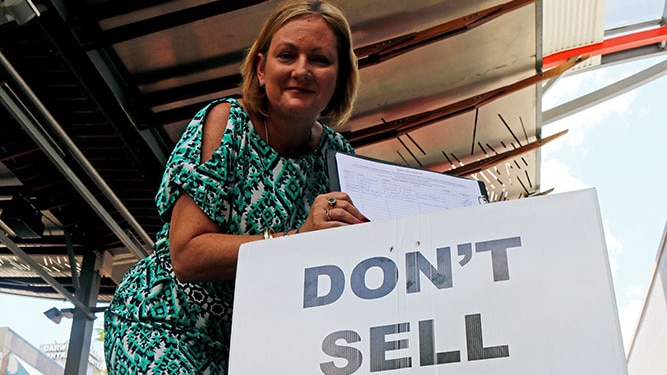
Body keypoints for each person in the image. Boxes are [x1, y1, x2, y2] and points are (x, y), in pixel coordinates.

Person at [103, 0, 368, 373]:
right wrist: (300, 239)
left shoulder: (340, 157)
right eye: (287, 55)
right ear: (261, 69)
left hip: (250, 351)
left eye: (321, 60)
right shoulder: (226, 123)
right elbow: (187, 254)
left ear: (340, 77)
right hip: (163, 326)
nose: (302, 70)